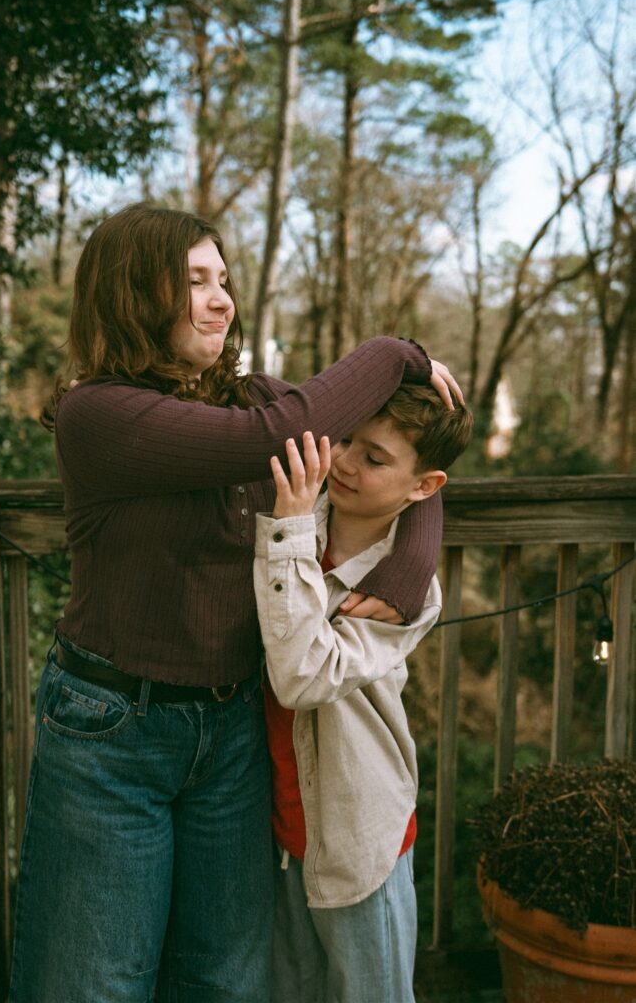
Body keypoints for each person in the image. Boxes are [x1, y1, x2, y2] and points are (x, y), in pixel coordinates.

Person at [8, 202, 463, 1003]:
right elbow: (286, 432)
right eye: (193, 282)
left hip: (231, 734)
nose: (221, 300)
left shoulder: (247, 396)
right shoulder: (99, 413)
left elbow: (391, 455)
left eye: (222, 280)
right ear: (130, 293)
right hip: (114, 733)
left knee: (224, 982)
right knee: (93, 983)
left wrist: (415, 546)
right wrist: (397, 352)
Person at [254, 383, 473, 1003]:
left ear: (424, 487)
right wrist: (409, 360)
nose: (345, 462)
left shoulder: (407, 589)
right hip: (273, 833)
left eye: (374, 459)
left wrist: (290, 530)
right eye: (346, 438)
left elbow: (302, 677)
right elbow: (269, 399)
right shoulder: (305, 515)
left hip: (356, 842)